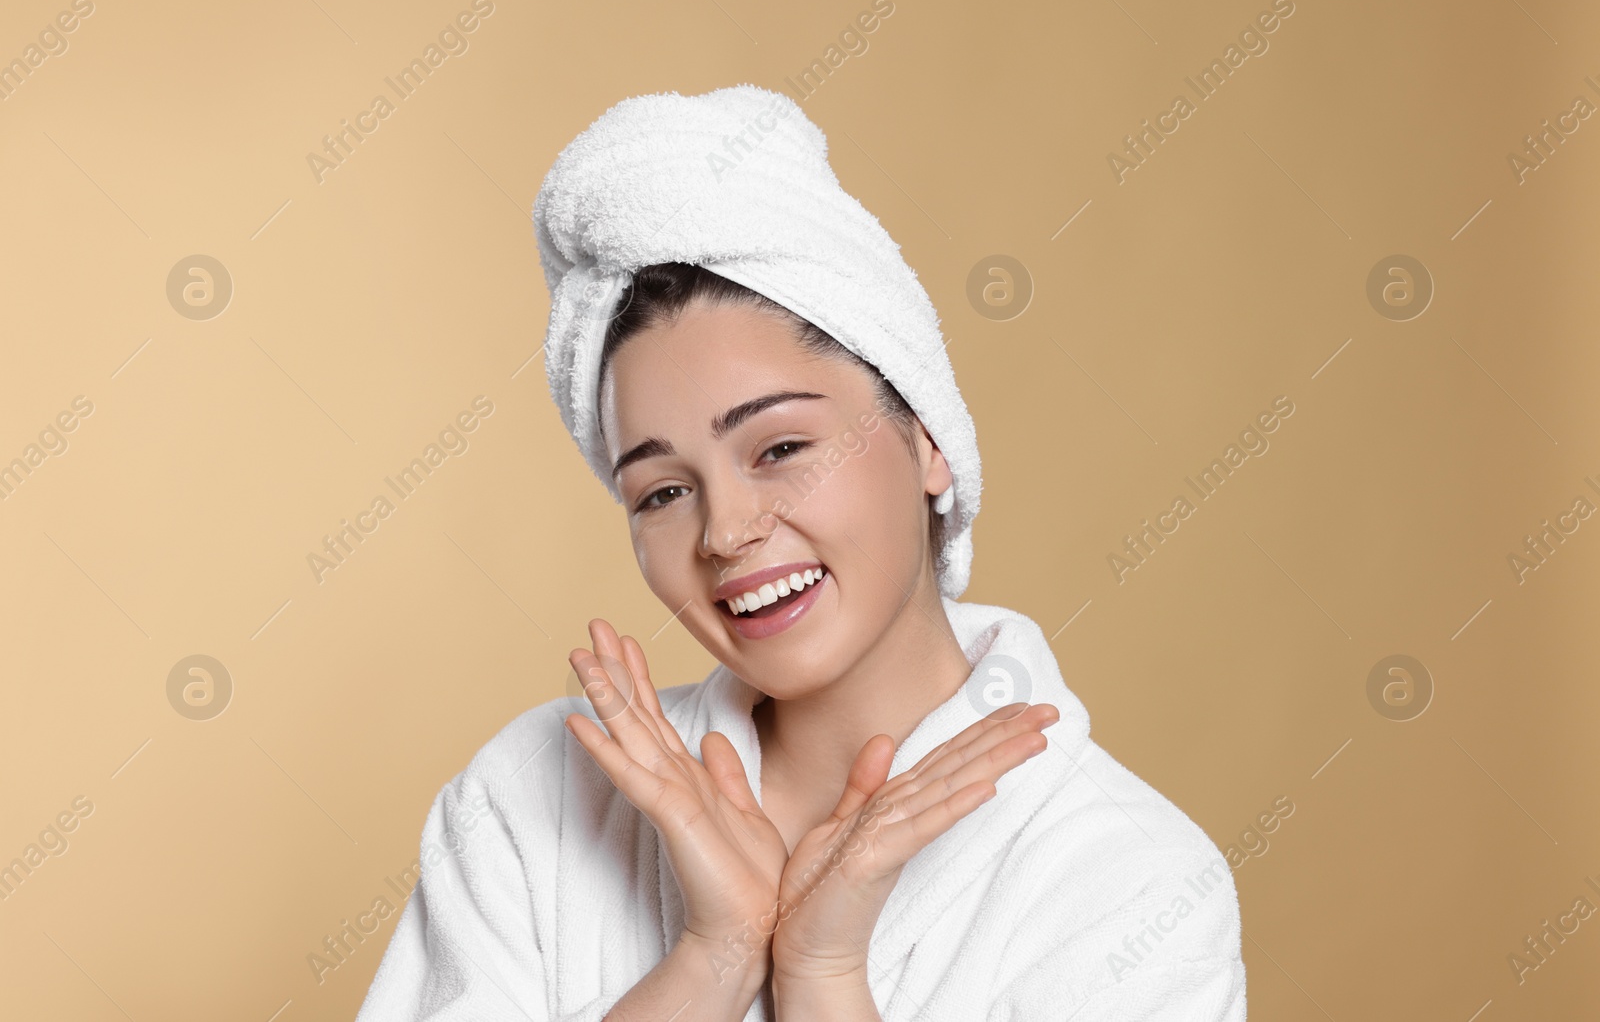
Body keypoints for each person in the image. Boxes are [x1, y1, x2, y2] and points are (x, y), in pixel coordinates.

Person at [355, 86, 1246, 1021]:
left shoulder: (1130, 883)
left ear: (929, 436)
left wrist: (822, 979)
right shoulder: (531, 797)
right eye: (662, 492)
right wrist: (714, 955)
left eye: (780, 449)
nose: (725, 532)